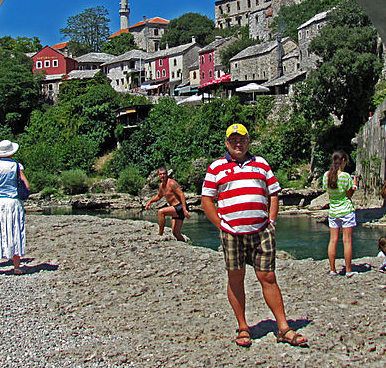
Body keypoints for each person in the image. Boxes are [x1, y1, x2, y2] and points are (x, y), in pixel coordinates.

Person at [201, 123, 308, 348]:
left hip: (262, 230)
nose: (238, 143)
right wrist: (221, 225)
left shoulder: (261, 163)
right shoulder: (216, 167)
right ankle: (242, 326)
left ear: (248, 141)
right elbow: (206, 200)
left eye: (242, 139)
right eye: (233, 140)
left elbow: (274, 193)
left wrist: (272, 221)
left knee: (268, 277)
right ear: (226, 142)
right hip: (232, 233)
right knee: (236, 277)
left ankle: (283, 327)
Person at [0, 140, 29, 275]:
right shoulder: (17, 166)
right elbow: (26, 185)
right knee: (15, 230)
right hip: (13, 202)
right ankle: (16, 266)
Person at [324, 150, 357, 277]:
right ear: (343, 160)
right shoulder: (345, 176)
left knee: (333, 241)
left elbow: (328, 191)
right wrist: (354, 186)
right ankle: (348, 270)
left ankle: (332, 269)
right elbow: (349, 195)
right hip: (346, 210)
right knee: (347, 241)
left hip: (333, 211)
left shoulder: (326, 176)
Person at [144, 166, 190, 241]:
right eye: (161, 174)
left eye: (164, 174)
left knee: (161, 212)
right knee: (175, 233)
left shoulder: (172, 183)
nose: (163, 176)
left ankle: (160, 234)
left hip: (180, 207)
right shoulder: (161, 186)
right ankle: (185, 244)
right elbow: (159, 196)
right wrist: (149, 202)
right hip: (175, 209)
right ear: (158, 175)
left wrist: (185, 210)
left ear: (167, 174)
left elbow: (181, 195)